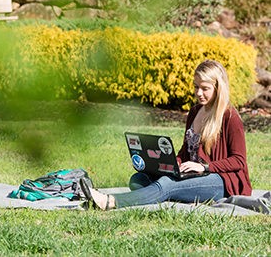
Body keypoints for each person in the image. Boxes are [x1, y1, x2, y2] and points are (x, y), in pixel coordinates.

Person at [80, 59, 252, 210]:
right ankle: (172, 193)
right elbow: (186, 152)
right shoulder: (194, 112)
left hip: (220, 180)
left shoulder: (230, 117)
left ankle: (109, 202)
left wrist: (205, 167)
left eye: (205, 88)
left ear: (218, 88)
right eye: (196, 87)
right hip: (193, 174)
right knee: (139, 178)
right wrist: (172, 164)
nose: (199, 93)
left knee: (165, 184)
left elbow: (239, 161)